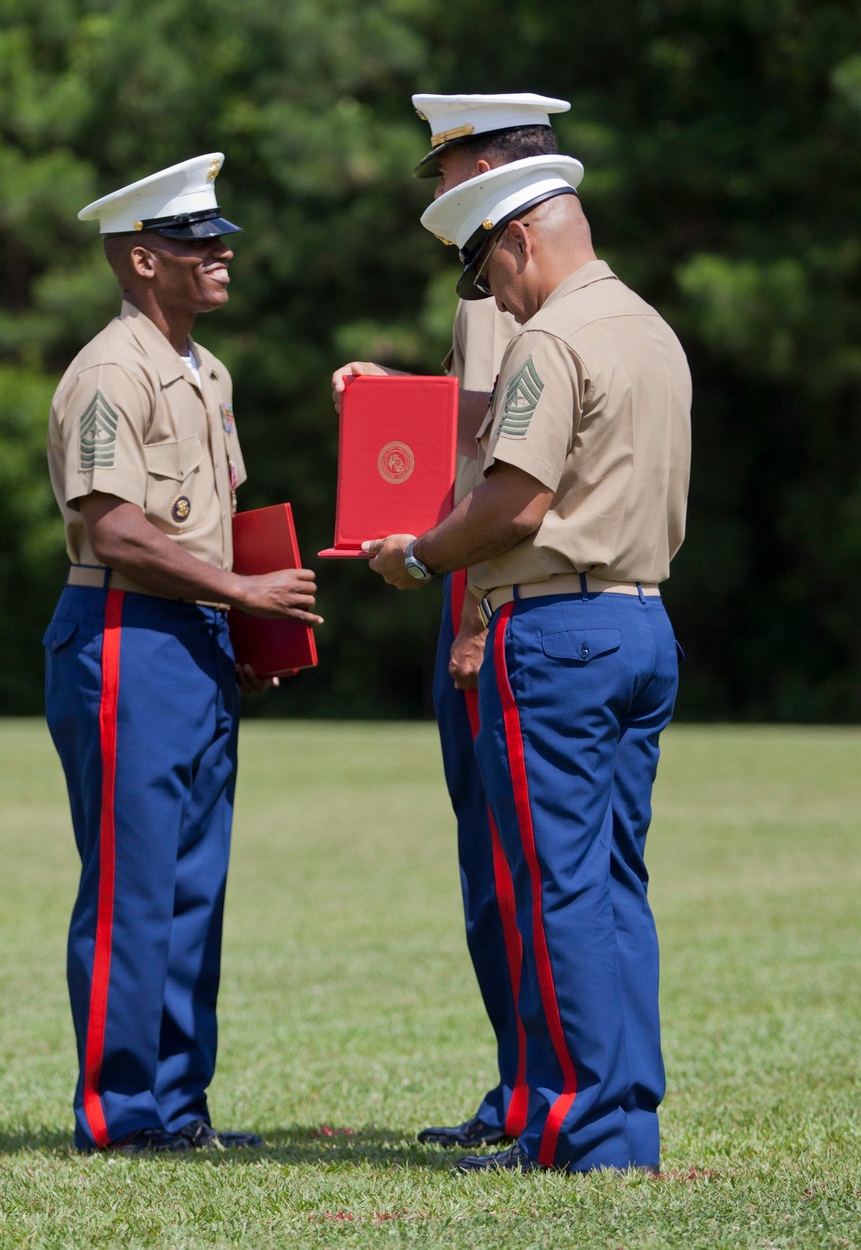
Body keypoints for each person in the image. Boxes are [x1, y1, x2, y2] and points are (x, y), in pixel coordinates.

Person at [365, 154, 691, 1173]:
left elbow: (515, 502)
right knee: (612, 881)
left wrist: (417, 557)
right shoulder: (650, 327)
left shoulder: (551, 340)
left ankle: (570, 1127)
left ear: (517, 240)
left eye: (488, 274)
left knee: (552, 887)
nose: (494, 299)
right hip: (644, 623)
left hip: (556, 632)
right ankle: (623, 1122)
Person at [44, 153, 322, 1154]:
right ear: (141, 260)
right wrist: (242, 592)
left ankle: (176, 1102)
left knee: (193, 882)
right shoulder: (111, 371)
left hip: (194, 637)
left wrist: (246, 625)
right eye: (199, 243)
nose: (223, 255)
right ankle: (120, 1114)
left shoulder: (208, 372)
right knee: (133, 882)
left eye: (222, 239)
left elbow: (221, 519)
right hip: (124, 632)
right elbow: (112, 526)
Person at [331, 93, 571, 1151]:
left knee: (510, 861)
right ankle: (524, 1083)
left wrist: (470, 619)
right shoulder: (498, 284)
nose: (435, 190)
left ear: (492, 170)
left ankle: (534, 1091)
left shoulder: (509, 282)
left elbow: (504, 476)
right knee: (494, 864)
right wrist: (396, 396)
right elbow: (480, 425)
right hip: (486, 589)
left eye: (448, 168)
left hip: (494, 595)